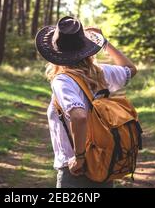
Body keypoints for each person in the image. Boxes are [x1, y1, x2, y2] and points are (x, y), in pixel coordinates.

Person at [35, 15, 137, 189]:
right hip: (104, 161)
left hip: (76, 171)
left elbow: (79, 116)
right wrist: (105, 43)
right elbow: (131, 69)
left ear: (55, 52)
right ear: (85, 47)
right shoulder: (100, 72)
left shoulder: (62, 81)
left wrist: (79, 157)